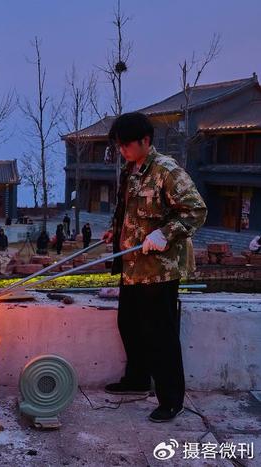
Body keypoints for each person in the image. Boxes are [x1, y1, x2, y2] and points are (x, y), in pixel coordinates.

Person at [102, 112, 207, 423]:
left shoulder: (168, 171)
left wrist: (165, 233)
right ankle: (136, 378)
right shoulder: (132, 171)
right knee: (129, 325)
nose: (122, 151)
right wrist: (115, 229)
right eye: (119, 146)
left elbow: (196, 211)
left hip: (159, 268)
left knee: (160, 335)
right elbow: (127, 209)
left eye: (126, 145)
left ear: (145, 141)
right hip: (132, 266)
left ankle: (171, 399)